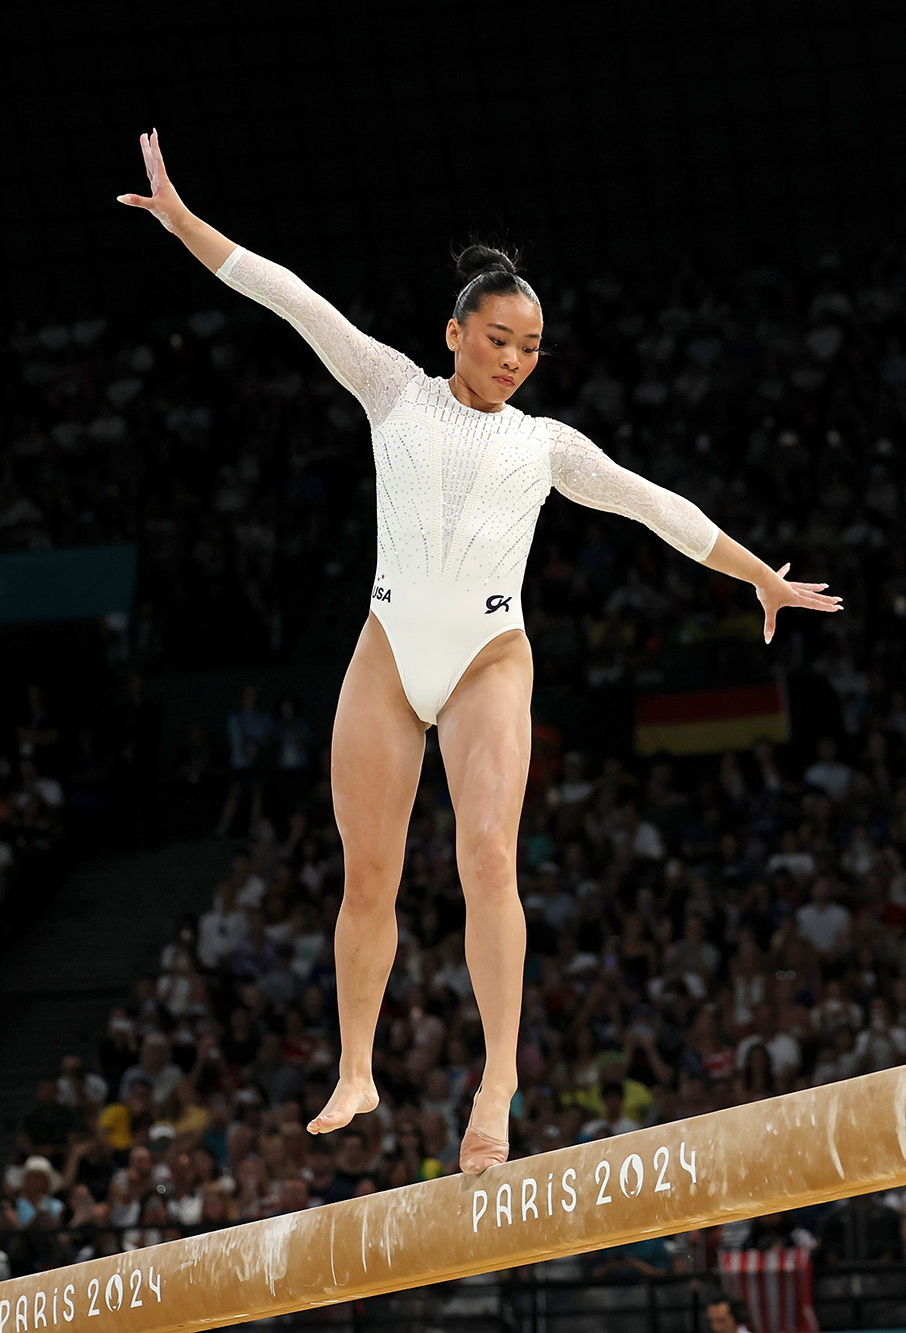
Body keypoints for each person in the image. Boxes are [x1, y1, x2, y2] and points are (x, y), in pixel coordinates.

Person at [118, 128, 840, 1172]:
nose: (513, 358)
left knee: (485, 856)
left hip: (486, 660)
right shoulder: (391, 389)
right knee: (368, 877)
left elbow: (656, 507)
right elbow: (287, 296)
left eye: (530, 348)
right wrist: (183, 223)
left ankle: (497, 1077)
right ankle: (358, 1066)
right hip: (387, 650)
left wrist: (757, 573)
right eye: (498, 336)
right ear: (455, 329)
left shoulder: (544, 446)